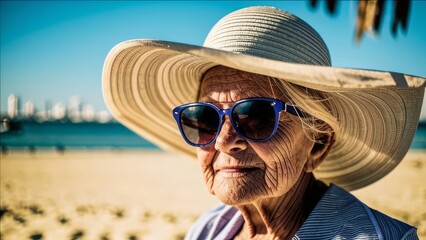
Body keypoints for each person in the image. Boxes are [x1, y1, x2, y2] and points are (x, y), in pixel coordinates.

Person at [102, 6, 424, 239]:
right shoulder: (208, 230)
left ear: (318, 145)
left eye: (255, 116)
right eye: (205, 118)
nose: (224, 141)